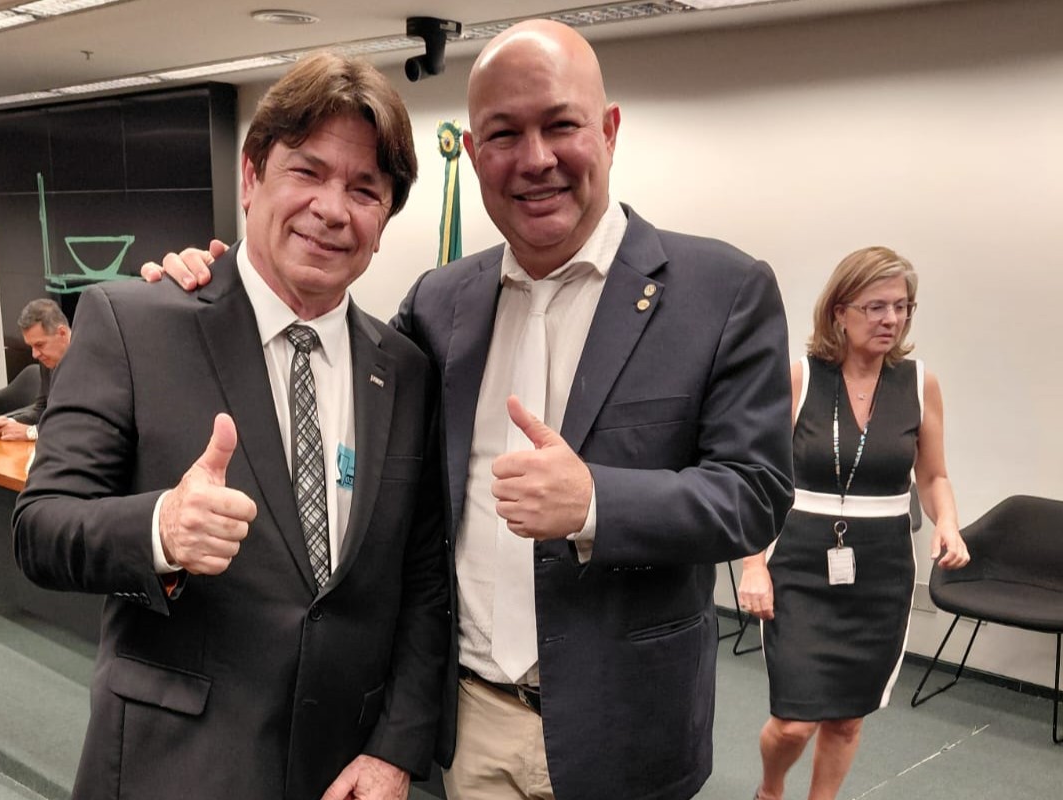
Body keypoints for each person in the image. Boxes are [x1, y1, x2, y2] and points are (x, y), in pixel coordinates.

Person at [144, 20, 793, 800]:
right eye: (504, 134)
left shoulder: (721, 292)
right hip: (470, 725)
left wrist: (596, 502)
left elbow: (755, 493)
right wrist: (220, 285)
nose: (536, 158)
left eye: (560, 125)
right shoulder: (440, 303)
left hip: (626, 727)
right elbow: (340, 395)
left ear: (610, 131)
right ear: (476, 152)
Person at [13, 52, 449, 800]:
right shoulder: (132, 322)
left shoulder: (406, 370)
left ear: (384, 220)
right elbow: (40, 528)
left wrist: (396, 749)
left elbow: (422, 580)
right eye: (307, 172)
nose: (332, 209)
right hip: (173, 766)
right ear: (252, 176)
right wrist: (161, 529)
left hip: (340, 773)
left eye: (364, 189)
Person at [736, 246, 970, 800]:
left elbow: (933, 476)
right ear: (839, 311)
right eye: (876, 306)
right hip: (800, 562)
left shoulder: (919, 384)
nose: (891, 319)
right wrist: (753, 565)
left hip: (881, 572)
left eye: (902, 307)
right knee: (793, 724)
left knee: (845, 719)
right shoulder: (800, 378)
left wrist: (949, 522)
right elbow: (757, 479)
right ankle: (771, 790)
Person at [0, 298, 70, 441]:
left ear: (62, 333)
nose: (34, 355)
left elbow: (82, 422)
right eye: (31, 346)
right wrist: (10, 423)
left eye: (39, 345)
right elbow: (42, 409)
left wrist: (32, 432)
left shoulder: (91, 361)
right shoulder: (48, 359)